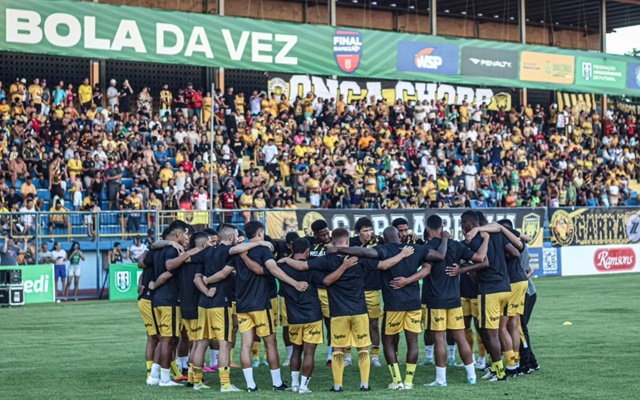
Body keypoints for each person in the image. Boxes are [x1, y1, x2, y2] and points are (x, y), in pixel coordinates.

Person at [334, 226, 447, 390]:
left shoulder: (384, 249)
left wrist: (340, 248)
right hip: (414, 303)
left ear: (385, 239)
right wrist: (444, 238)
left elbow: (364, 252)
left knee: (388, 341)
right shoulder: (416, 249)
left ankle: (397, 381)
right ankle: (409, 382)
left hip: (394, 304)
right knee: (413, 342)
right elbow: (440, 255)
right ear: (399, 237)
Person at [192, 224, 275, 392]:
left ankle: (196, 382)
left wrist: (206, 289)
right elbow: (224, 273)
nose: (238, 240)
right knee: (225, 344)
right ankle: (225, 384)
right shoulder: (228, 251)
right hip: (220, 302)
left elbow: (196, 277)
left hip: (203, 303)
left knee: (200, 343)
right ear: (230, 238)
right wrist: (260, 243)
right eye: (236, 237)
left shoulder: (207, 252)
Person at [232, 220, 308, 391]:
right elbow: (273, 270)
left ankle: (251, 385)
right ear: (260, 233)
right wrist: (294, 283)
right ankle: (277, 383)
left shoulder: (238, 251)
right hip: (259, 302)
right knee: (270, 342)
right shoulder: (263, 249)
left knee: (245, 344)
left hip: (242, 303)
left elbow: (227, 266)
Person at [447, 210, 519, 381]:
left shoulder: (474, 239)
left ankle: (500, 373)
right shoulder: (496, 234)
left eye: (462, 225)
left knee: (490, 333)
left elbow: (483, 261)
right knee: (498, 330)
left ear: (468, 224)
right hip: (506, 287)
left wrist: (462, 269)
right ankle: (503, 367)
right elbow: (515, 252)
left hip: (490, 289)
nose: (462, 229)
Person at [417, 215, 487, 386]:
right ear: (442, 228)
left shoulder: (427, 248)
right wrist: (463, 268)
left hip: (435, 300)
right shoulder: (456, 245)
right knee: (461, 338)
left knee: (439, 338)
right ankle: (472, 376)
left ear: (427, 230)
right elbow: (480, 258)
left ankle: (441, 379)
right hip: (454, 299)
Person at [146, 221, 201, 387]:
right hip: (169, 299)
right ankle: (164, 378)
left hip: (157, 300)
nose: (187, 238)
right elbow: (169, 269)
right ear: (178, 235)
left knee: (164, 339)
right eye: (185, 234)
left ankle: (154, 375)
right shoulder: (173, 250)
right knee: (168, 340)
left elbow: (144, 261)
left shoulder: (157, 249)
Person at [349, 217, 383, 367]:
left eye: (370, 230)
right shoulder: (350, 243)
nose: (369, 233)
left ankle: (374, 356)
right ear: (358, 232)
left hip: (372, 289)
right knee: (350, 323)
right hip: (353, 291)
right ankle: (347, 355)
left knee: (373, 323)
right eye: (365, 231)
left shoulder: (380, 241)